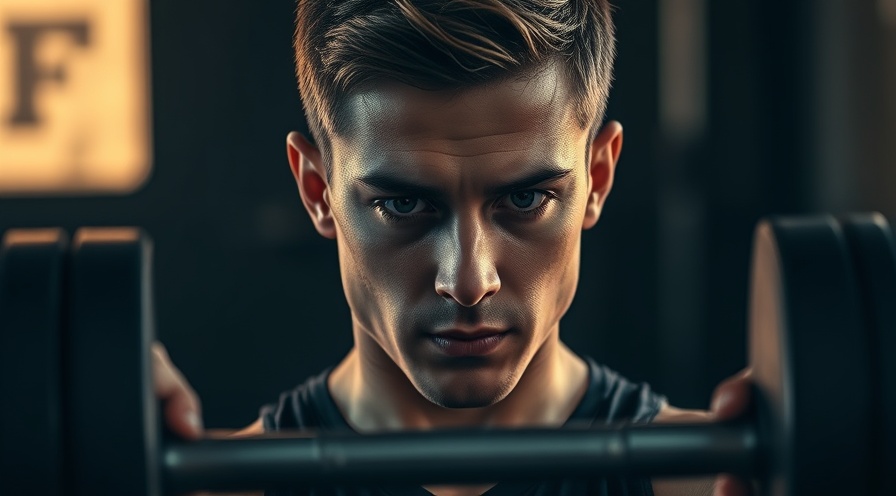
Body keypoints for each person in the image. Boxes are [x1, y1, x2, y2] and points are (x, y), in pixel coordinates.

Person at [154, 1, 755, 495]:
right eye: (404, 204)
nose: (469, 282)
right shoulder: (214, 490)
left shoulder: (714, 484)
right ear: (318, 191)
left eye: (525, 201)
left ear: (597, 177)